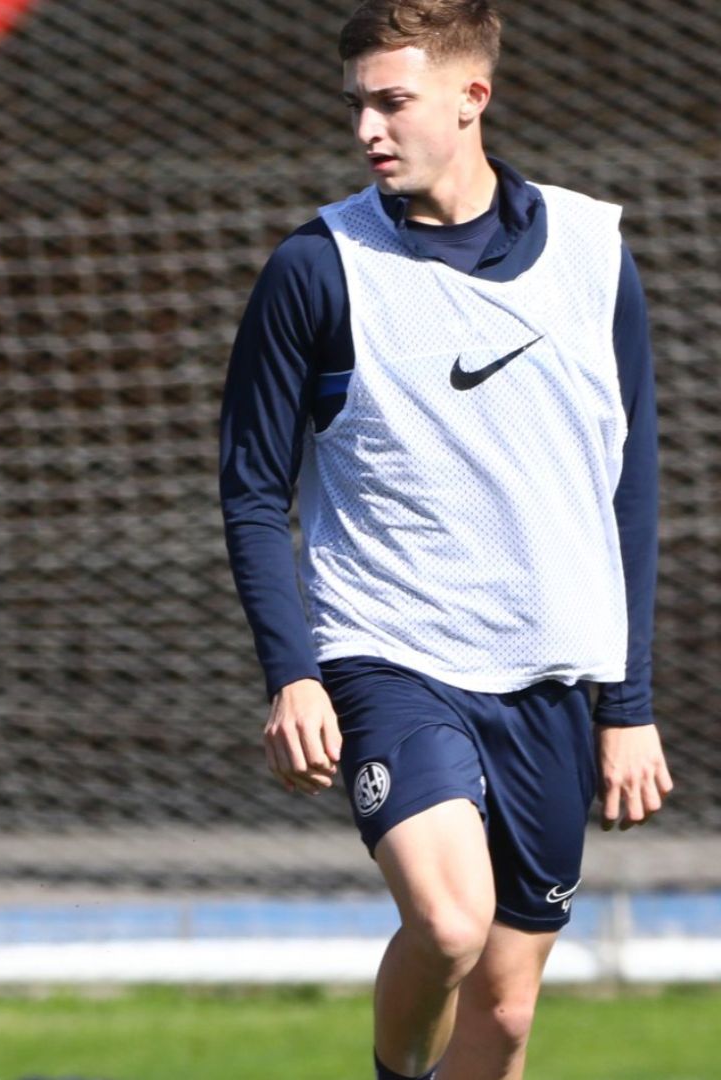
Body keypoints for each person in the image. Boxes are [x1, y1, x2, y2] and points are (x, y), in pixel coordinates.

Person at [218, 3, 673, 1078]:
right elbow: (252, 490)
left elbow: (629, 488)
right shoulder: (318, 267)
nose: (367, 130)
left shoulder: (591, 252)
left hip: (551, 674)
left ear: (474, 96)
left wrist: (628, 704)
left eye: (392, 102)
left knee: (504, 1015)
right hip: (392, 658)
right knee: (451, 922)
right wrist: (293, 673)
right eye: (355, 105)